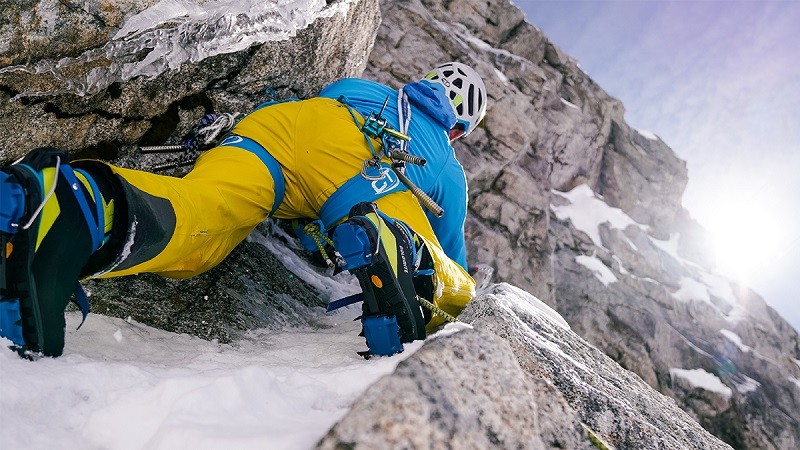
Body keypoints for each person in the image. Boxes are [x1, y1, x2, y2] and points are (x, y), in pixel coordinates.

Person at [0, 62, 488, 358]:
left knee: (195, 214)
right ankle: (393, 241)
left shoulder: (358, 87)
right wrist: (455, 282)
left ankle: (69, 201)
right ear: (459, 130)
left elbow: (311, 115)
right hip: (374, 170)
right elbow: (454, 250)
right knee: (448, 278)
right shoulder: (446, 169)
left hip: (282, 128)